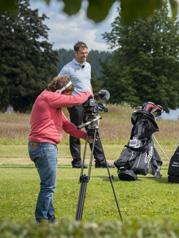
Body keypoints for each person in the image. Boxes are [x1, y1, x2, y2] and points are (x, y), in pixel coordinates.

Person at [28, 76, 92, 223]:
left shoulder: (53, 105)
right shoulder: (49, 97)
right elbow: (75, 101)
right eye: (67, 95)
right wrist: (88, 92)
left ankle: (50, 219)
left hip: (41, 146)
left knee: (47, 185)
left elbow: (68, 126)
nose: (67, 101)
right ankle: (42, 221)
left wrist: (85, 136)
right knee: (48, 187)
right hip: (44, 146)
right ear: (61, 91)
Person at [59, 41, 112, 168]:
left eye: (86, 53)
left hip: (89, 101)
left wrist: (93, 99)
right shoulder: (67, 68)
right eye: (82, 53)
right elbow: (59, 84)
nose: (85, 56)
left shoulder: (88, 65)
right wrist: (67, 101)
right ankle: (77, 161)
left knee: (93, 130)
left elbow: (88, 84)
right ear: (76, 53)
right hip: (75, 103)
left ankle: (100, 161)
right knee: (75, 130)